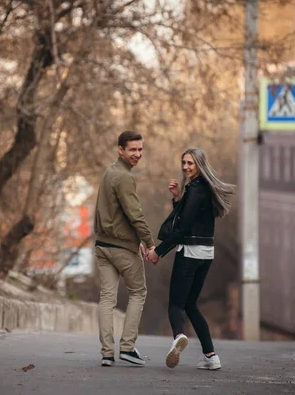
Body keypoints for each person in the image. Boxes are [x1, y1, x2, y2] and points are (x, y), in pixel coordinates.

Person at [146, 148, 235, 370]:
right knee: (191, 304)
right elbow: (191, 218)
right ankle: (211, 356)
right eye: (184, 163)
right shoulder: (202, 189)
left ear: (200, 165)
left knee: (176, 304)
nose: (186, 167)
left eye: (191, 164)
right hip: (206, 253)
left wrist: (159, 251)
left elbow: (182, 228)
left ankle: (178, 337)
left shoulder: (196, 189)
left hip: (189, 252)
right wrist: (178, 198)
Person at [94, 130, 156, 367]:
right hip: (121, 247)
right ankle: (127, 348)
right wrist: (149, 243)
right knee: (138, 293)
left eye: (140, 149)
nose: (137, 154)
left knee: (107, 298)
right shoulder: (125, 177)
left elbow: (113, 213)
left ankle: (107, 353)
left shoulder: (109, 172)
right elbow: (135, 215)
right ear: (120, 150)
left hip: (102, 245)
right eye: (132, 150)